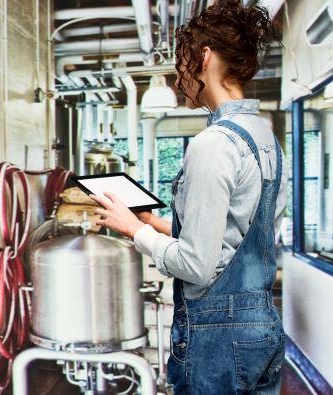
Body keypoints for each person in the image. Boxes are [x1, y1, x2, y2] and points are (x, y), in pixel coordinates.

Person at [89, 1, 288, 394]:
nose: (180, 78)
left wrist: (133, 231)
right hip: (262, 327)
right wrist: (152, 223)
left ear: (205, 57)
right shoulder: (267, 139)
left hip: (217, 338)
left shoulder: (212, 144)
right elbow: (237, 239)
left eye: (182, 62)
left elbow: (198, 267)